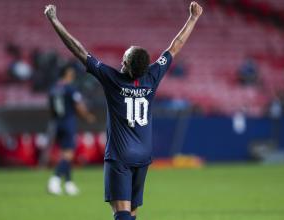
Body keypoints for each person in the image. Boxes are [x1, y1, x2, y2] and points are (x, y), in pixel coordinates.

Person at [44, 2, 202, 219]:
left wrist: (54, 21)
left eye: (124, 57)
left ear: (127, 64)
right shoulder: (152, 76)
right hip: (144, 155)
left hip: (120, 156)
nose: (120, 59)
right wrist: (193, 18)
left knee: (121, 212)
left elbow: (78, 50)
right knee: (132, 212)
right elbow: (175, 46)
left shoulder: (112, 79)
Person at [47, 64, 96, 196]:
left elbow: (51, 108)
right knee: (68, 154)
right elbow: (79, 105)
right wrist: (87, 116)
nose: (73, 75)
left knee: (64, 154)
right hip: (68, 121)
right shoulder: (70, 88)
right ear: (68, 73)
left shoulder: (53, 89)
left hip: (57, 122)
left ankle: (69, 184)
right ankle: (55, 179)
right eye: (72, 73)